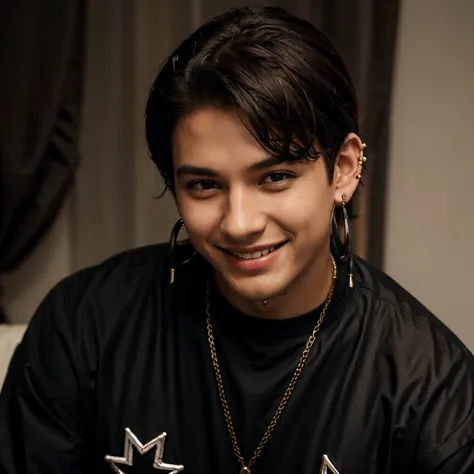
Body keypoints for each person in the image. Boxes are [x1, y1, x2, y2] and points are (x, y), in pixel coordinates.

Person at [1, 6, 473, 474]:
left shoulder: (431, 384)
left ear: (344, 169)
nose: (240, 223)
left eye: (275, 177)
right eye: (204, 185)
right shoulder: (85, 324)